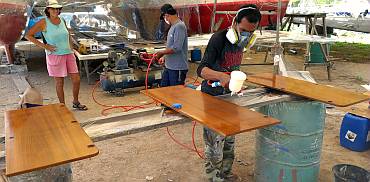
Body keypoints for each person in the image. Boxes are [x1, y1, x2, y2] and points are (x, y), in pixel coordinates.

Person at [196, 4, 261, 182]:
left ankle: (225, 172)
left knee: (230, 138)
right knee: (214, 143)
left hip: (231, 96)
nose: (246, 36)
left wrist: (236, 83)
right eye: (243, 30)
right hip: (212, 96)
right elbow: (201, 70)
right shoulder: (219, 39)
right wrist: (220, 76)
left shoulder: (242, 43)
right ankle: (213, 178)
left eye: (251, 32)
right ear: (234, 23)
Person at [25, 0, 87, 110]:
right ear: (48, 9)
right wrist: (45, 46)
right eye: (53, 8)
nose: (56, 10)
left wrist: (72, 47)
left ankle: (76, 101)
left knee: (76, 79)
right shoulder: (44, 22)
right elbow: (28, 35)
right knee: (59, 82)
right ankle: (62, 106)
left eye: (58, 9)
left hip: (68, 54)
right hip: (55, 55)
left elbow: (68, 34)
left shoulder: (62, 20)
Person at [154, 4, 188, 87]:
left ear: (166, 15)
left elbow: (177, 47)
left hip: (177, 68)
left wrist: (162, 52)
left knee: (176, 94)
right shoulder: (173, 27)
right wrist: (164, 57)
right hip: (169, 67)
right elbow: (171, 46)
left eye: (165, 17)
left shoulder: (179, 26)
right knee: (165, 91)